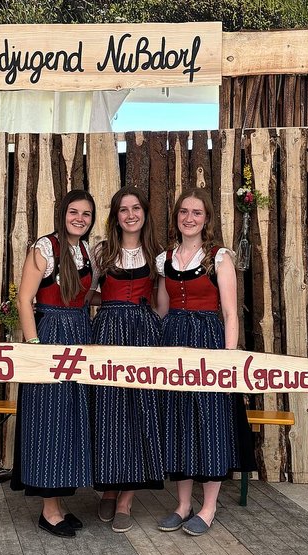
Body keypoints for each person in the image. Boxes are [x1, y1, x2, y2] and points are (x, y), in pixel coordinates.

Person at [12, 190, 96, 537]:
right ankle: (48, 510)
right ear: (62, 213)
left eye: (86, 214)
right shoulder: (44, 248)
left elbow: (83, 295)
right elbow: (24, 299)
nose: (79, 219)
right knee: (49, 419)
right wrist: (35, 346)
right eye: (74, 212)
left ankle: (58, 503)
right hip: (51, 334)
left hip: (78, 334)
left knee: (70, 420)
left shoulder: (86, 250)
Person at [156, 187, 238, 535]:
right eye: (184, 212)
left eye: (197, 213)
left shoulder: (218, 257)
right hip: (174, 342)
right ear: (177, 216)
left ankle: (208, 506)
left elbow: (230, 313)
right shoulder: (165, 259)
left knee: (209, 420)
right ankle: (183, 504)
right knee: (180, 420)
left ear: (207, 219)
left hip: (207, 342)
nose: (189, 218)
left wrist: (228, 361)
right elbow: (162, 311)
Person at [90, 186, 164, 532]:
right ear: (115, 216)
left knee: (139, 410)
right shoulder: (102, 252)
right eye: (123, 209)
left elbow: (162, 303)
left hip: (143, 335)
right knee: (108, 409)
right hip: (107, 333)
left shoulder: (157, 255)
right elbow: (86, 292)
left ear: (144, 213)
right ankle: (108, 487)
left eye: (136, 208)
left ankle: (126, 498)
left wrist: (154, 329)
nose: (130, 214)